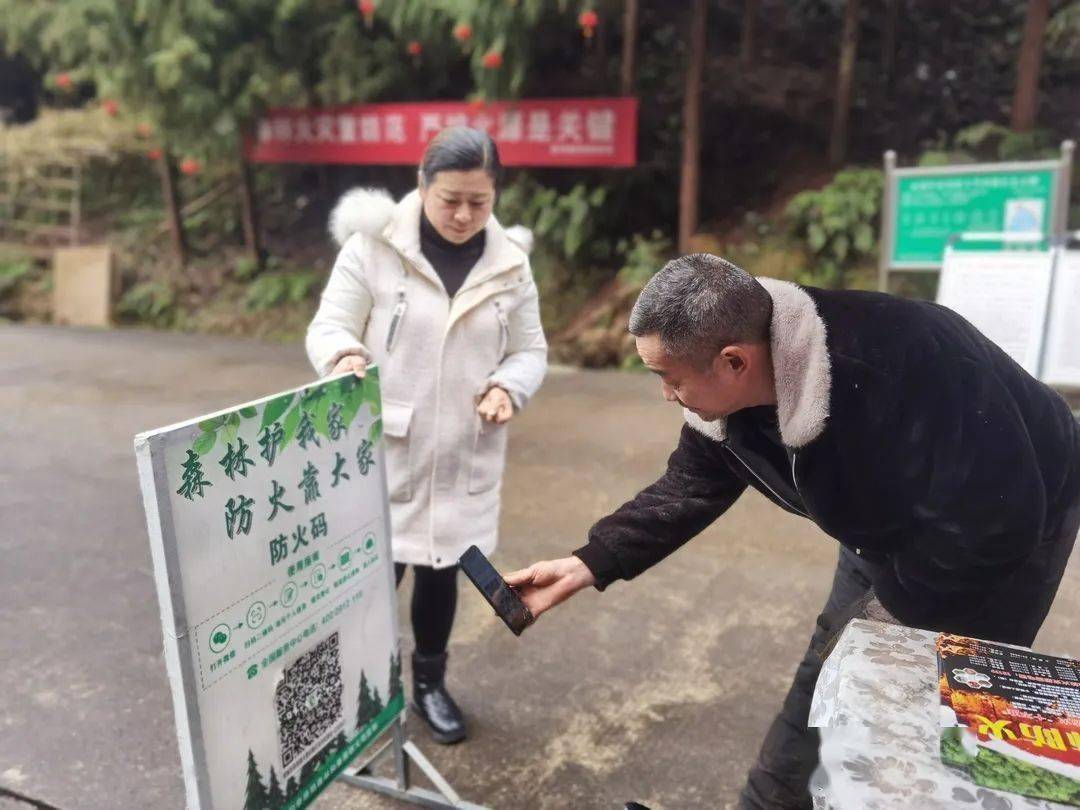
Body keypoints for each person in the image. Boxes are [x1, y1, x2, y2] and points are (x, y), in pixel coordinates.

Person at [504, 254, 1080, 808]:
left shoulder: (901, 364)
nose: (664, 394)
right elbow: (689, 487)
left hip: (1016, 516)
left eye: (668, 377)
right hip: (881, 522)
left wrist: (886, 623)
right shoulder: (731, 391)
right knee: (830, 666)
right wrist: (588, 563)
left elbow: (1000, 522)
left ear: (733, 362)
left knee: (944, 698)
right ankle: (768, 804)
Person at [305, 127, 547, 744]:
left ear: (496, 197)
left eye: (479, 201)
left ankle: (429, 686)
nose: (464, 215)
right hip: (386, 449)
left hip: (463, 450)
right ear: (421, 184)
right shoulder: (373, 246)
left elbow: (530, 351)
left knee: (442, 573)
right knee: (368, 580)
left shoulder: (510, 266)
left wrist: (507, 387)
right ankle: (355, 696)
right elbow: (330, 324)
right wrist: (342, 357)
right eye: (450, 199)